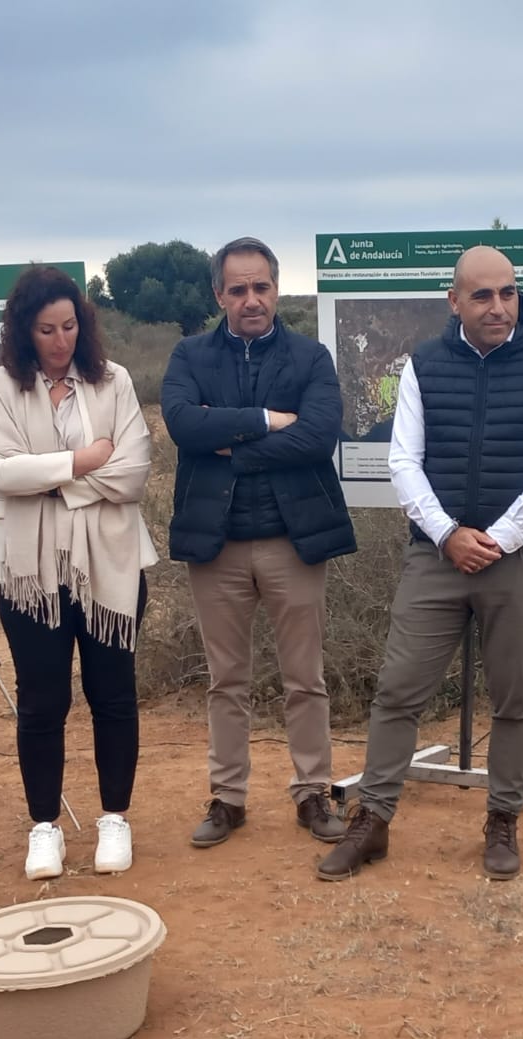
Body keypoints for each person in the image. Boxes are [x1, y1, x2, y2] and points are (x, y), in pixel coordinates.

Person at [318, 246, 523, 883]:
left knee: (517, 697)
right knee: (398, 690)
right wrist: (447, 535)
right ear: (454, 300)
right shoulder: (425, 366)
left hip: (516, 558)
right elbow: (404, 461)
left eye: (508, 293)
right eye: (484, 295)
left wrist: (497, 537)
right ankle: (372, 820)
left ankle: (502, 818)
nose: (499, 307)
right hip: (436, 556)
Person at [161, 236, 356, 850]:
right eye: (238, 289)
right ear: (219, 294)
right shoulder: (190, 355)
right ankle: (228, 799)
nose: (252, 300)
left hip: (292, 544)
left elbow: (319, 438)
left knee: (305, 679)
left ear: (277, 288)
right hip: (215, 546)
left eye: (262, 287)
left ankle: (313, 792)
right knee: (227, 681)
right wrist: (268, 421)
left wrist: (231, 446)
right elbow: (183, 425)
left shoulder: (310, 357)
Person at [0, 265, 159, 880]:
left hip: (110, 564)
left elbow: (131, 476)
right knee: (41, 703)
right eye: (47, 329)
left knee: (113, 697)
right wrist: (83, 461)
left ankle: (114, 819)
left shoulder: (115, 383)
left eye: (70, 326)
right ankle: (44, 828)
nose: (61, 341)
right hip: (32, 575)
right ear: (24, 331)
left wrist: (49, 482)